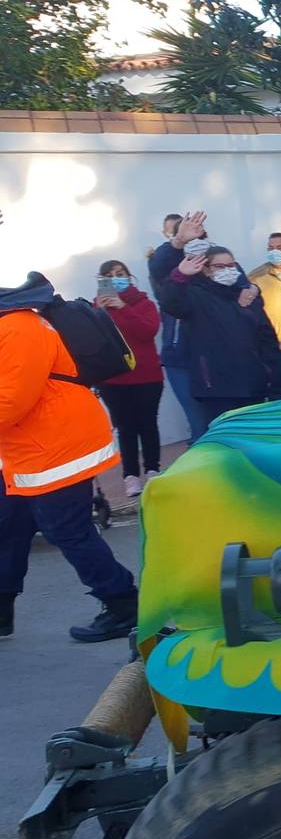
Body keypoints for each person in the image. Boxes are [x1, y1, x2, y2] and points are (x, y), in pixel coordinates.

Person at [1, 270, 141, 642]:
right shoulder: (13, 324)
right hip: (26, 453)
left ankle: (122, 602)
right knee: (9, 528)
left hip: (54, 451)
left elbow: (10, 401)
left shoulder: (17, 327)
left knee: (67, 529)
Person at [160, 246, 281, 428]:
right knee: (225, 444)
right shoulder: (195, 295)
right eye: (219, 266)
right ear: (206, 269)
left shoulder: (247, 296)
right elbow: (171, 303)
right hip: (216, 389)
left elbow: (267, 341)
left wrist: (276, 381)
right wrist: (179, 275)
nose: (227, 270)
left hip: (252, 385)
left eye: (231, 265)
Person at [94, 260, 164, 496]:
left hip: (147, 376)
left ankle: (153, 470)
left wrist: (123, 307)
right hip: (113, 380)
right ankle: (130, 476)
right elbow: (93, 341)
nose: (116, 278)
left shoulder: (145, 304)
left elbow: (147, 332)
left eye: (120, 273)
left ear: (129, 276)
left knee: (147, 423)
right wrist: (101, 311)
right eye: (109, 276)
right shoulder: (96, 309)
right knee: (125, 428)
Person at [148, 211, 211, 442]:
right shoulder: (166, 266)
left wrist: (251, 289)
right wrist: (178, 243)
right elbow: (158, 270)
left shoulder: (213, 260)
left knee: (219, 419)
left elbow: (238, 282)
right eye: (177, 231)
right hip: (180, 358)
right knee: (198, 423)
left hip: (214, 354)